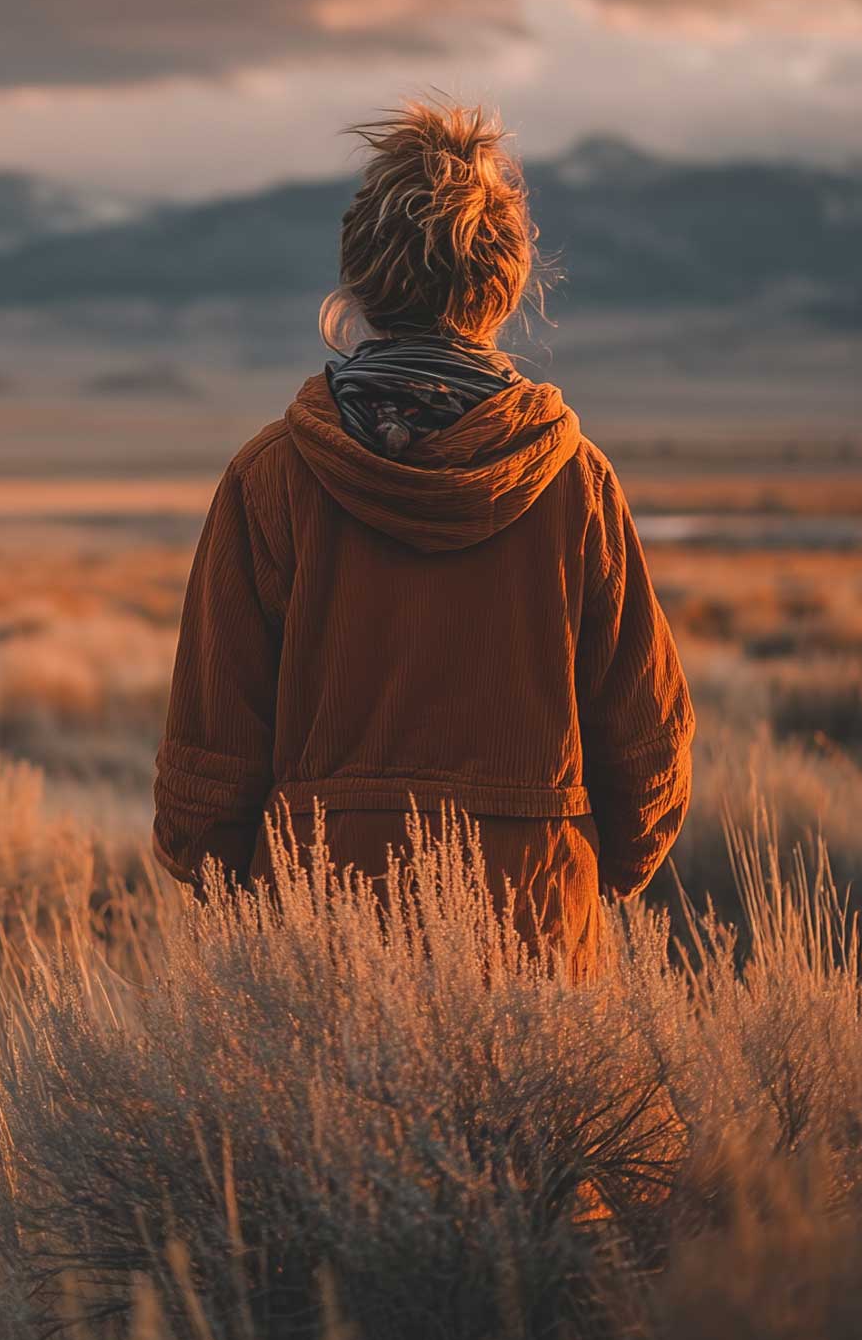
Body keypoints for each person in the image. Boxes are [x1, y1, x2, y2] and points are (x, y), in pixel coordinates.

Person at [151, 99, 694, 980]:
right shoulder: (573, 482)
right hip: (537, 952)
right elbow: (649, 743)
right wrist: (575, 879)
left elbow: (205, 767)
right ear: (507, 284)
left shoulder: (271, 480)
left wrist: (259, 910)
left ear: (358, 285)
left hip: (316, 956)